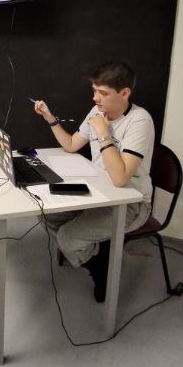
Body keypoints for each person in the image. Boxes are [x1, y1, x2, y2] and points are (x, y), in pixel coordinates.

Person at [32, 61, 155, 302]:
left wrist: (103, 132)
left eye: (103, 93)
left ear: (124, 93)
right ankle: (96, 255)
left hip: (131, 203)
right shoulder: (97, 111)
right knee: (45, 212)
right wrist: (50, 118)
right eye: (95, 91)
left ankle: (99, 268)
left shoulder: (140, 121)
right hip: (97, 191)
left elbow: (120, 179)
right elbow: (71, 145)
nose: (95, 98)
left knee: (68, 238)